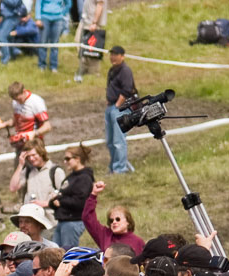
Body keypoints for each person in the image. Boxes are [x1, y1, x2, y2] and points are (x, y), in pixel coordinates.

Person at [48, 144, 93, 250]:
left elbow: (81, 202)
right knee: (55, 253)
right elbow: (61, 196)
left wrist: (61, 201)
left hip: (73, 222)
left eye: (68, 159)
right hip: (63, 221)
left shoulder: (84, 178)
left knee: (67, 254)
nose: (65, 162)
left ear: (77, 159)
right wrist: (54, 202)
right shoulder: (71, 177)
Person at [82, 181, 144, 255]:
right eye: (111, 220)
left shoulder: (138, 242)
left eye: (118, 219)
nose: (114, 222)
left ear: (128, 221)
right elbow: (87, 217)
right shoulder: (105, 235)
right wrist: (94, 194)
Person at [9, 139, 63, 223]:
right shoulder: (28, 171)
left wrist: (46, 203)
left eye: (34, 155)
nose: (31, 158)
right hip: (31, 223)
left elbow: (65, 197)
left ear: (41, 153)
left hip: (50, 222)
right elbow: (13, 188)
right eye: (28, 156)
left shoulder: (55, 171)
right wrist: (20, 165)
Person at [105, 45, 135, 174]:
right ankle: (113, 167)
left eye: (116, 54)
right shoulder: (112, 70)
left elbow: (127, 90)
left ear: (122, 56)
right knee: (110, 141)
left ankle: (120, 169)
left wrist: (117, 105)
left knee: (118, 141)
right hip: (111, 107)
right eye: (112, 54)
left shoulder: (125, 71)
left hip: (120, 109)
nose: (113, 57)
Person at [8, 82, 52, 150]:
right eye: (15, 100)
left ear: (24, 91)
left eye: (19, 99)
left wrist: (34, 133)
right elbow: (15, 121)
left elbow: (47, 126)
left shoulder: (36, 102)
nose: (18, 102)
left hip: (35, 144)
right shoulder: (15, 102)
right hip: (21, 144)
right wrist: (2, 124)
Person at [74, 0, 107, 83]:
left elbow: (100, 4)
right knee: (79, 42)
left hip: (92, 24)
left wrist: (94, 22)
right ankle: (84, 67)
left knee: (93, 48)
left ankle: (93, 72)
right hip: (85, 21)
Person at [35, 0, 71, 72]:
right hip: (44, 18)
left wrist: (62, 13)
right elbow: (38, 3)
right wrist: (38, 18)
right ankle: (41, 65)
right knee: (43, 43)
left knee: (55, 44)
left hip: (58, 19)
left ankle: (53, 66)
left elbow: (69, 4)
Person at [0, 0, 30, 65]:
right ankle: (12, 56)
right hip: (6, 17)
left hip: (13, 17)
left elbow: (14, 3)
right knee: (6, 37)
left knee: (2, 36)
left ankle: (5, 59)